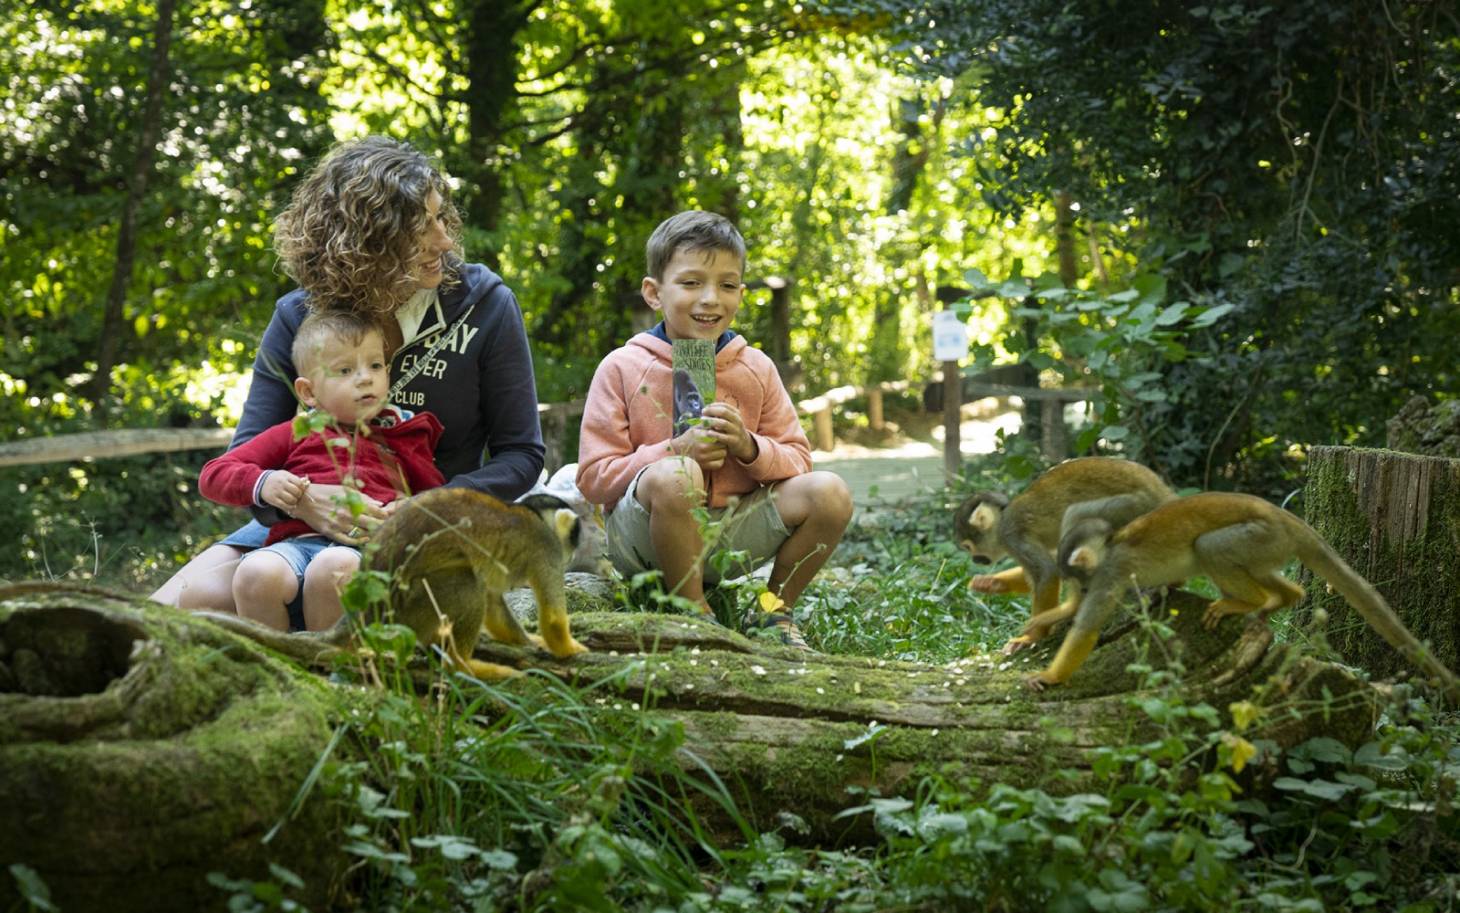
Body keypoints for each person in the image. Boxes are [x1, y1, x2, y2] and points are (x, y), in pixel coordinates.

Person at [152, 136, 544, 614]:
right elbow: (243, 462)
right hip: (304, 528)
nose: (444, 240)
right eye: (421, 227)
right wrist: (304, 501)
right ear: (366, 241)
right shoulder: (299, 316)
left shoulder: (484, 305)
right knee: (163, 612)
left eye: (441, 217)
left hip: (437, 528)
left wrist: (432, 504)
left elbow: (521, 454)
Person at [576, 210, 853, 649]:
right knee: (677, 475)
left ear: (741, 294)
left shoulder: (756, 367)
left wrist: (749, 447)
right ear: (654, 293)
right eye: (690, 283)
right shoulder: (622, 367)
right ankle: (695, 617)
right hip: (645, 539)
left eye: (726, 285)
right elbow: (593, 480)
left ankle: (772, 612)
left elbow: (799, 459)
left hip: (732, 532)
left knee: (831, 492)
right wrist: (671, 451)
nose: (710, 299)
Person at [197, 311, 445, 631]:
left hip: (369, 550)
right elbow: (214, 473)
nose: (366, 378)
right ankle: (278, 669)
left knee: (335, 566)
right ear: (309, 392)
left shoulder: (402, 432)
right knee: (254, 573)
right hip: (296, 544)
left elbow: (435, 497)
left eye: (375, 365)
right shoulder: (297, 431)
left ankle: (332, 674)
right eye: (345, 370)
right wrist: (265, 482)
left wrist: (411, 510)